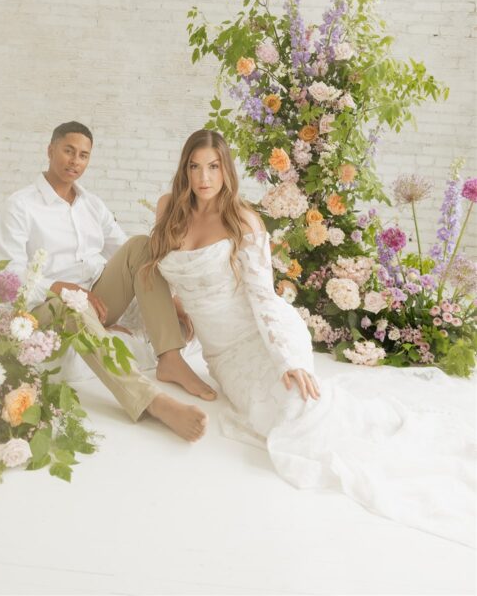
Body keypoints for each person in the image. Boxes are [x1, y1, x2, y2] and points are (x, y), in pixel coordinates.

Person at [144, 128, 474, 546]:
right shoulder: (168, 209)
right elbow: (166, 273)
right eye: (194, 166)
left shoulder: (241, 219)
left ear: (226, 170)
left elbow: (263, 298)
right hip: (224, 354)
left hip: (262, 335)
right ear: (184, 169)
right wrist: (174, 310)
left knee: (299, 405)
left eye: (213, 166)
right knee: (277, 418)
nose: (203, 177)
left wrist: (288, 361)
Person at [0, 121, 212, 442]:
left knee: (141, 244)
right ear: (50, 150)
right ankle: (154, 402)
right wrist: (59, 287)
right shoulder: (21, 205)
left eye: (83, 155)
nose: (75, 161)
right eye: (68, 151)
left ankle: (170, 357)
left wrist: (173, 300)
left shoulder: (92, 204)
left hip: (96, 299)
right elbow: (7, 276)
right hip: (45, 307)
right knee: (73, 304)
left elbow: (131, 256)